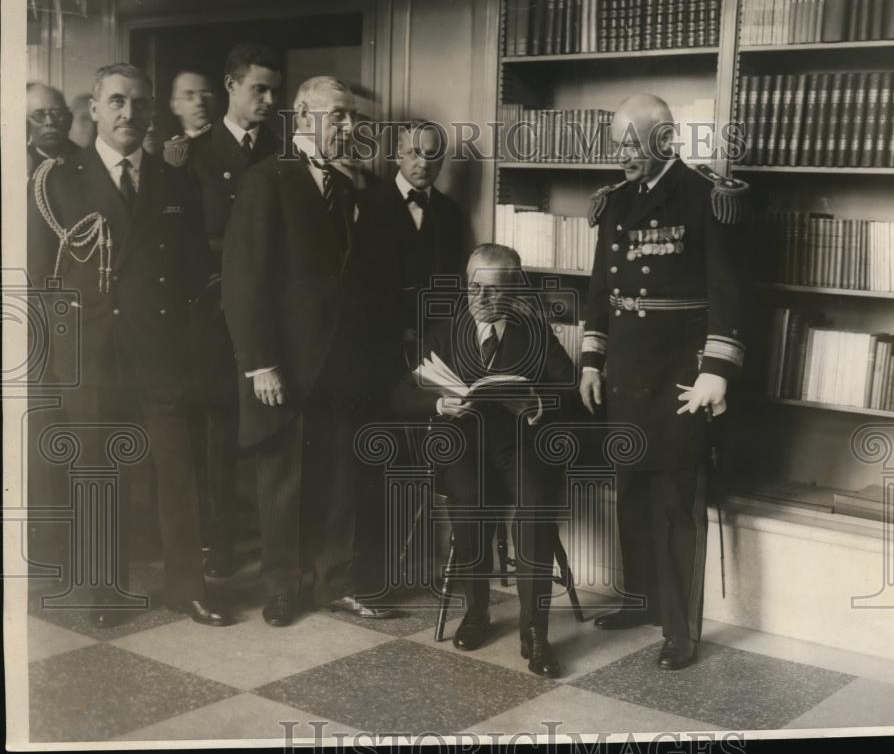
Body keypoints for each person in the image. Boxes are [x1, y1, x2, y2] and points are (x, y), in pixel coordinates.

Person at [27, 63, 231, 629]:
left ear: (152, 113)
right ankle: (102, 590)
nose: (129, 114)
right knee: (96, 470)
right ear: (93, 109)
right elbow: (41, 276)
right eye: (116, 101)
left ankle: (187, 588)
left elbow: (194, 270)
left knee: (176, 468)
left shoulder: (175, 181)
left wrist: (183, 340)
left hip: (158, 348)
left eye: (140, 104)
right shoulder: (58, 179)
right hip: (91, 351)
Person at [579, 93, 748, 671]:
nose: (621, 154)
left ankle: (680, 628)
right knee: (630, 495)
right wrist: (591, 361)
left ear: (666, 139)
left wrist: (716, 372)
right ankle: (641, 600)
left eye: (633, 142)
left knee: (677, 506)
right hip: (626, 373)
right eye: (617, 142)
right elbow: (601, 289)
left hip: (681, 378)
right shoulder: (616, 201)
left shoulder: (706, 198)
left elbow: (728, 291)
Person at [222, 75, 396, 627]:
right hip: (286, 365)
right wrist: (260, 363)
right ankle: (282, 588)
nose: (350, 127)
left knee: (339, 478)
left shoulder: (348, 188)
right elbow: (243, 280)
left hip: (340, 365)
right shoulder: (265, 180)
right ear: (303, 118)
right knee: (283, 481)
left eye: (353, 118)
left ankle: (335, 583)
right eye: (339, 116)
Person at [393, 244, 581, 678]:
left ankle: (536, 633)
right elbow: (401, 394)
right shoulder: (442, 331)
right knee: (471, 502)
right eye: (474, 287)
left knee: (536, 511)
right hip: (463, 445)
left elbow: (568, 389)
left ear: (514, 290)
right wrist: (440, 405)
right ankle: (476, 612)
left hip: (519, 445)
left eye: (493, 290)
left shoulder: (534, 334)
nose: (480, 298)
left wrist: (536, 401)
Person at [163, 46, 283, 579]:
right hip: (212, 311)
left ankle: (276, 544)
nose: (269, 100)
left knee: (270, 425)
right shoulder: (193, 154)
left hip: (273, 311)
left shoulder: (284, 152)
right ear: (231, 85)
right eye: (259, 88)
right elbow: (179, 239)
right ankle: (221, 543)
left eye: (274, 90)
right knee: (217, 428)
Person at [356, 119, 466, 346]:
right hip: (377, 339)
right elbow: (359, 282)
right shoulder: (366, 204)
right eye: (414, 153)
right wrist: (394, 328)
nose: (424, 163)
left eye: (431, 154)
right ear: (398, 156)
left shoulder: (451, 212)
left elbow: (451, 281)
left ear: (442, 161)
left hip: (434, 341)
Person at [26, 82, 77, 176]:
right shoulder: (18, 161)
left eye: (57, 113)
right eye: (39, 115)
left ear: (69, 119)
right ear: (26, 123)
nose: (50, 122)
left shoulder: (89, 160)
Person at [169, 70, 216, 138]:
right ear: (175, 106)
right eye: (189, 96)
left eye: (206, 94)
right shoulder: (170, 147)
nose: (200, 102)